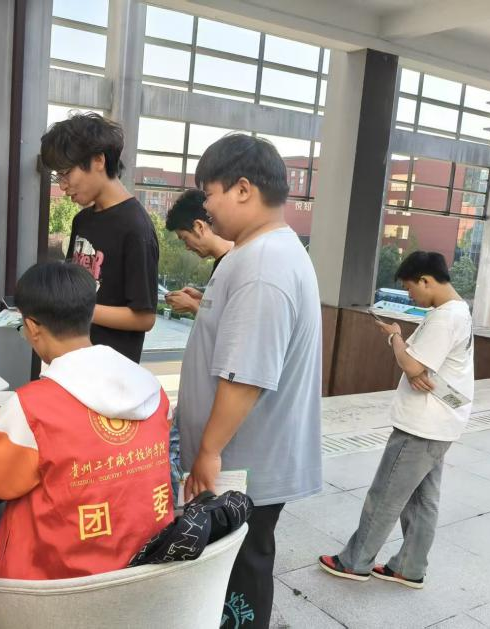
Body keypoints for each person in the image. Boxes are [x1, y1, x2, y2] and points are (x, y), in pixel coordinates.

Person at [0, 262, 174, 618]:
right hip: (135, 586)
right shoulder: (153, 392)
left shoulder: (34, 408)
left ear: (32, 327)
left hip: (49, 597)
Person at [177, 135, 322, 629]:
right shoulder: (256, 251)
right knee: (235, 565)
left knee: (239, 571)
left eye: (209, 193)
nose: (206, 207)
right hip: (238, 458)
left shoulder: (265, 265)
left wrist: (209, 451)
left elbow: (246, 376)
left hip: (241, 465)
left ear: (243, 189)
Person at [319, 251, 474, 590]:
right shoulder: (459, 310)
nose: (410, 295)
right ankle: (409, 567)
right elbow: (420, 366)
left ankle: (354, 562)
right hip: (441, 424)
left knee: (385, 495)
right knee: (422, 500)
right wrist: (411, 359)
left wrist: (395, 339)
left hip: (422, 425)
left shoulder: (444, 318)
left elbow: (413, 366)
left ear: (425, 280)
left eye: (410, 287)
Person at [41, 112, 158, 363]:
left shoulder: (136, 227)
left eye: (65, 173)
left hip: (112, 372)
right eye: (58, 176)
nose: (62, 185)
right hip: (74, 360)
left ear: (98, 160)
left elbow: (145, 318)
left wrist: (81, 311)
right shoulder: (82, 220)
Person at [163, 188, 234, 315]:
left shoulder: (233, 264)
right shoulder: (223, 262)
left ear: (199, 226)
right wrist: (202, 300)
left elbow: (228, 322)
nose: (187, 247)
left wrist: (193, 306)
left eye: (185, 238)